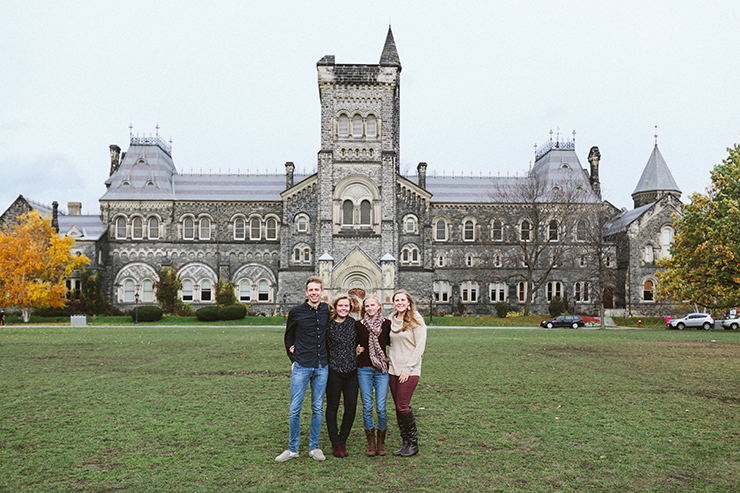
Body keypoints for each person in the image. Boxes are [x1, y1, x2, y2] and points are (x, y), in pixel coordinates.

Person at [275, 276, 330, 462]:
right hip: (302, 366)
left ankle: (314, 447)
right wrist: (293, 357)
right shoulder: (296, 312)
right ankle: (292, 449)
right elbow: (288, 336)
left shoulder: (326, 311)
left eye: (317, 290)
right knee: (295, 409)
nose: (314, 293)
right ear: (306, 292)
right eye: (311, 290)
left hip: (322, 366)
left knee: (317, 408)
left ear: (322, 292)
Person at [388, 289, 427, 457]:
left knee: (403, 406)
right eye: (397, 300)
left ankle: (413, 443)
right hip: (393, 369)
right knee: (398, 408)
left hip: (409, 370)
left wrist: (408, 368)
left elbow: (420, 347)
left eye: (403, 300)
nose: (400, 303)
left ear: (409, 303)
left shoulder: (416, 319)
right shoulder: (390, 319)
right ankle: (405, 444)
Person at [355, 294, 391, 457]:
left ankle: (381, 442)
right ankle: (371, 443)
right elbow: (351, 342)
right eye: (367, 306)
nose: (370, 308)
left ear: (378, 306)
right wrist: (356, 348)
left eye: (372, 305)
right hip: (364, 368)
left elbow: (397, 342)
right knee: (367, 406)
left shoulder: (387, 324)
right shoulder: (359, 325)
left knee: (381, 407)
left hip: (382, 369)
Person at [325, 295, 359, 458]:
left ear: (350, 308)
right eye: (341, 306)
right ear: (335, 307)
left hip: (352, 372)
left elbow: (363, 340)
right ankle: (335, 441)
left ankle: (343, 439)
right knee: (332, 407)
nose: (344, 308)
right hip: (334, 372)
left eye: (347, 306)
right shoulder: (328, 325)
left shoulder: (353, 324)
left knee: (351, 407)